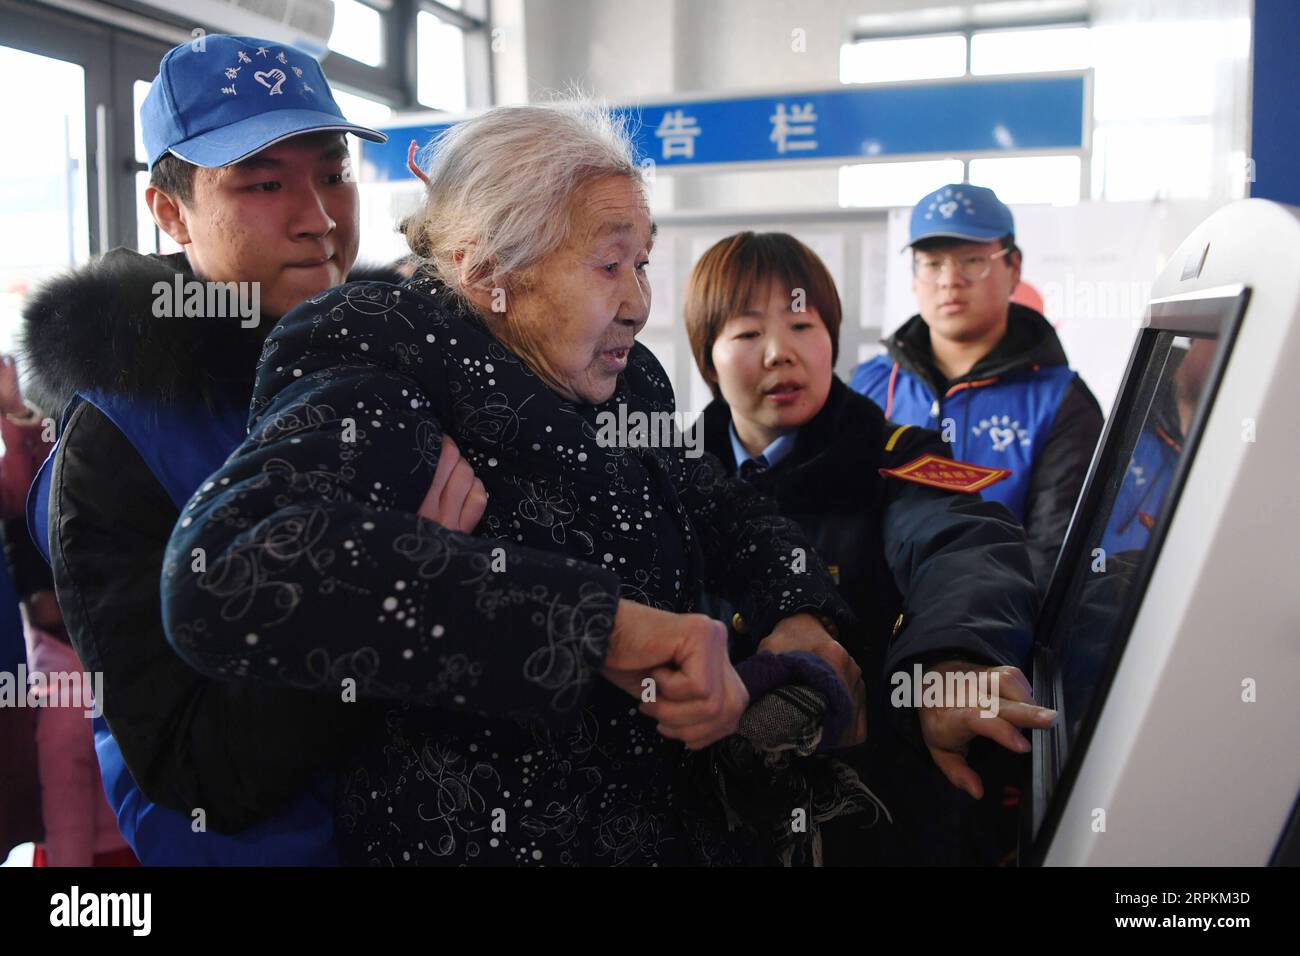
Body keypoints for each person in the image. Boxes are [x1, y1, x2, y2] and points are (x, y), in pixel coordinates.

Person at [161, 102, 862, 867]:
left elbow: (724, 509)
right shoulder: (380, 362)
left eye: (644, 263)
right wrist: (601, 630)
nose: (637, 302)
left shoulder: (626, 382)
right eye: (607, 264)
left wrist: (796, 608)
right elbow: (233, 567)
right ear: (488, 271)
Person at [19, 34, 407, 865]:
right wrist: (392, 601)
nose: (319, 218)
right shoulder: (121, 438)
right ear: (169, 211)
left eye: (334, 173)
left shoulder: (394, 362)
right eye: (264, 184)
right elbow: (194, 767)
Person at [685, 230, 1051, 864]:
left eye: (802, 325)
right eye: (747, 334)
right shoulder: (670, 482)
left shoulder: (896, 462)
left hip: (875, 822)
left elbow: (965, 546)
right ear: (707, 358)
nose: (780, 353)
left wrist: (950, 663)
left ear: (832, 339)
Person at [851, 185, 1104, 592]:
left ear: (1014, 268)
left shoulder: (1061, 403)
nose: (950, 281)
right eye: (932, 264)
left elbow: (1056, 557)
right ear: (914, 278)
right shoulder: (869, 384)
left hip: (995, 638)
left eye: (972, 261)